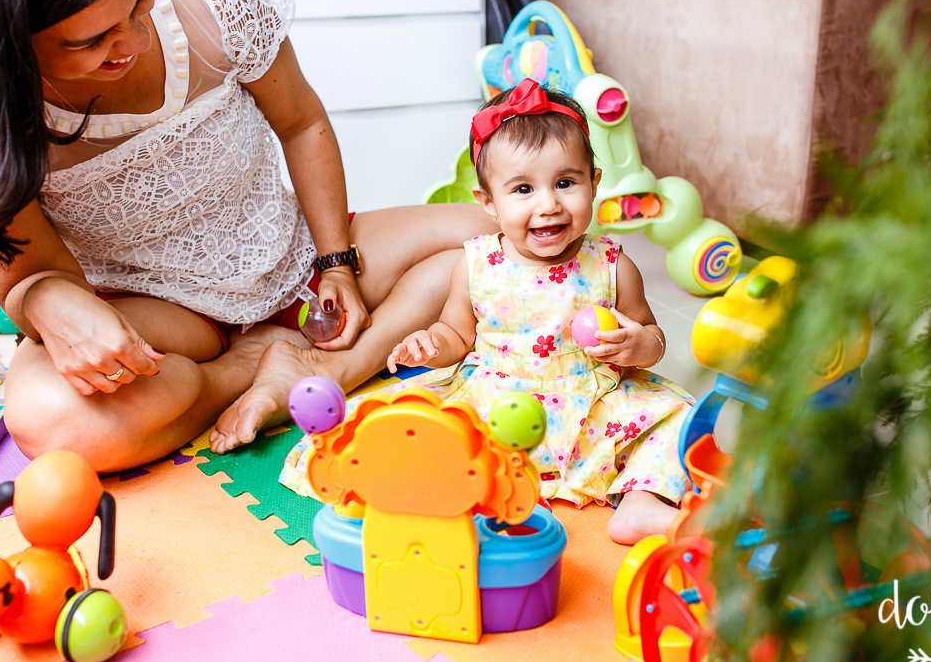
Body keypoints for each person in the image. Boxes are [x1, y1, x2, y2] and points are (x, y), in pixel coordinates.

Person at [0, 0, 491, 471]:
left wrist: (337, 264)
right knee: (53, 418)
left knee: (497, 238)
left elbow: (302, 123)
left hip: (296, 260)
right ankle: (243, 370)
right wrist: (45, 299)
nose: (137, 41)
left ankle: (326, 369)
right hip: (161, 317)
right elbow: (27, 277)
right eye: (94, 40)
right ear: (8, 39)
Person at [281, 79, 692, 544]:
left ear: (593, 184)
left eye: (565, 183)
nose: (549, 205)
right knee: (417, 428)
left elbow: (653, 336)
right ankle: (454, 488)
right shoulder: (477, 264)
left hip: (591, 407)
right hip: (496, 405)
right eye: (523, 189)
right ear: (489, 203)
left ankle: (642, 501)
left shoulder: (613, 265)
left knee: (678, 415)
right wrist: (430, 344)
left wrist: (638, 344)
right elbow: (455, 335)